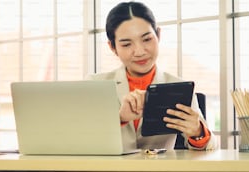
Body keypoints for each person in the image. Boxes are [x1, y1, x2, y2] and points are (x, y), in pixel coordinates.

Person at [88, 1, 217, 151]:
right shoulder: (95, 84)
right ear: (113, 47)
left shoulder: (179, 86)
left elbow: (211, 147)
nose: (139, 51)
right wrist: (120, 118)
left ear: (158, 35)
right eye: (126, 44)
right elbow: (81, 136)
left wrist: (198, 132)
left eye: (147, 39)